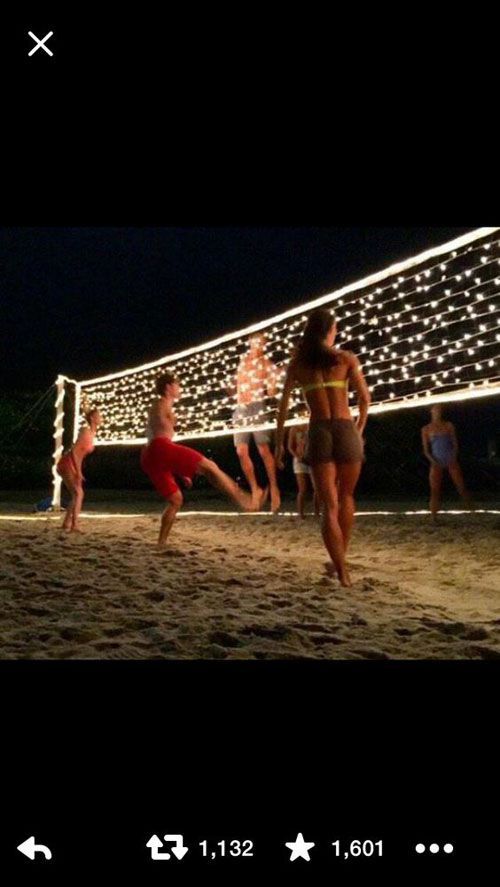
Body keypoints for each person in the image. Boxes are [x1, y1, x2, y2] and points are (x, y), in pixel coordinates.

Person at [275, 308, 370, 587]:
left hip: (319, 431)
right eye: (335, 328)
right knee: (347, 497)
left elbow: (282, 410)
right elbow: (365, 399)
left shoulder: (298, 365)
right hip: (344, 428)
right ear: (329, 330)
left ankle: (341, 570)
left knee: (329, 505)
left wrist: (281, 443)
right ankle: (341, 559)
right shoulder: (346, 359)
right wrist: (359, 428)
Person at [141, 371, 267, 547]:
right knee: (211, 467)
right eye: (177, 384)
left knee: (176, 500)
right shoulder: (161, 404)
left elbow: (153, 433)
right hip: (159, 448)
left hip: (151, 456)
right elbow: (154, 432)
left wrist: (180, 469)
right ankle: (246, 501)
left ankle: (161, 543)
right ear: (169, 387)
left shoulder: (162, 406)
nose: (180, 388)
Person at [231, 332, 282, 512]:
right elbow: (237, 386)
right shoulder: (242, 362)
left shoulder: (267, 364)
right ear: (250, 343)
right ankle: (255, 489)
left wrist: (275, 378)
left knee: (263, 450)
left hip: (257, 406)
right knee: (241, 451)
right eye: (254, 342)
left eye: (260, 343)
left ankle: (274, 488)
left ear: (264, 345)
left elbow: (271, 392)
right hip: (241, 408)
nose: (257, 346)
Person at [421, 404, 471, 521]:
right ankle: (434, 516)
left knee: (460, 486)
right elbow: (426, 450)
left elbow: (455, 443)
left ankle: (471, 509)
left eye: (439, 411)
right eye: (435, 410)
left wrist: (453, 457)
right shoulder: (426, 429)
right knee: (434, 490)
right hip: (436, 460)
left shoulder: (448, 425)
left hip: (449, 459)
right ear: (431, 412)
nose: (438, 412)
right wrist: (433, 461)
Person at [56, 407, 102, 532]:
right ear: (92, 418)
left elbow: (81, 455)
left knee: (76, 494)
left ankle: (67, 523)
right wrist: (78, 471)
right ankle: (74, 525)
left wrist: (79, 471)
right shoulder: (85, 431)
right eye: (99, 415)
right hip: (68, 463)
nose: (101, 418)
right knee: (78, 494)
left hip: (73, 463)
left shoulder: (92, 434)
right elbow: (75, 452)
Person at [288, 422, 320, 518]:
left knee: (317, 488)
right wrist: (297, 456)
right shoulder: (294, 429)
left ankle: (316, 512)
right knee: (302, 489)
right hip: (299, 460)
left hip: (312, 459)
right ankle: (300, 513)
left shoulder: (313, 425)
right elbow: (290, 446)